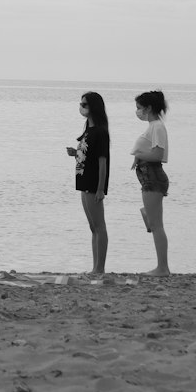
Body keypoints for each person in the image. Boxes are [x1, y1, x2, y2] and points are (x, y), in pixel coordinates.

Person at [67, 91, 109, 275]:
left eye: (84, 104)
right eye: (81, 103)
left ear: (93, 107)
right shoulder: (88, 129)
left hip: (93, 183)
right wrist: (74, 154)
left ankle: (100, 268)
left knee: (99, 226)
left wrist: (100, 188)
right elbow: (88, 155)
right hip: (83, 180)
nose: (81, 107)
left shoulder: (100, 131)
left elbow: (102, 161)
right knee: (93, 227)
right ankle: (95, 267)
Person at [131, 90, 170, 276]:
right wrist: (139, 158)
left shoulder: (157, 127)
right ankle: (162, 267)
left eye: (139, 108)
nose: (137, 111)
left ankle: (162, 268)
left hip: (152, 176)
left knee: (157, 225)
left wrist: (139, 155)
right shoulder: (153, 126)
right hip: (148, 176)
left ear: (149, 108)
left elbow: (157, 155)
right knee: (153, 222)